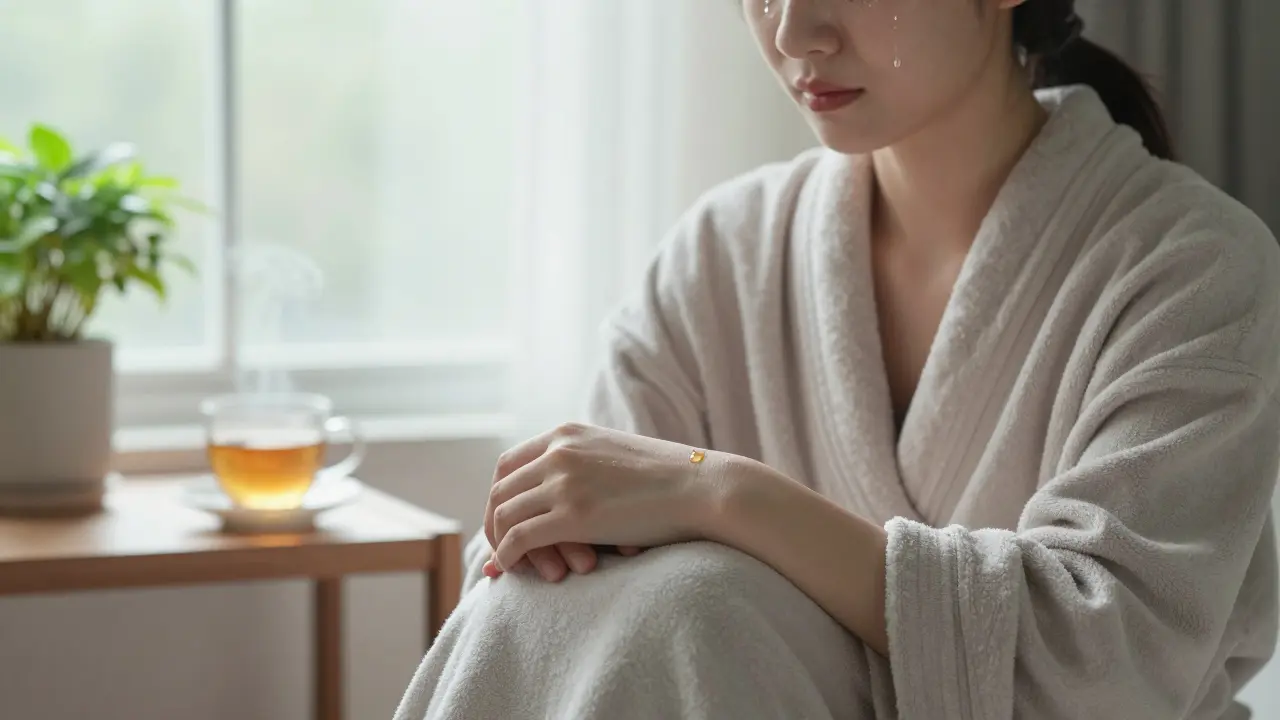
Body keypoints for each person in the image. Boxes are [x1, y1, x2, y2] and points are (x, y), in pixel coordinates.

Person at [396, 0, 1280, 717]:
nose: (793, 32)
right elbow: (545, 577)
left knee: (692, 606)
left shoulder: (1192, 264)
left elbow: (1104, 660)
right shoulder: (725, 253)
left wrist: (725, 494)